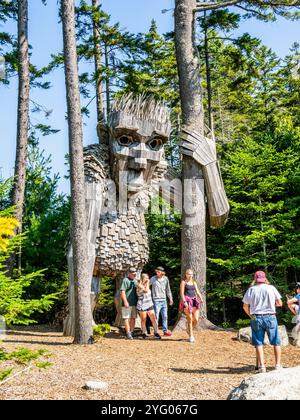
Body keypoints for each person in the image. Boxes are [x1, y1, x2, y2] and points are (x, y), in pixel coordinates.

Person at [242, 270, 283, 373]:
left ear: (255, 279)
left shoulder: (251, 290)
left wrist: (251, 316)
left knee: (258, 343)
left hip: (256, 317)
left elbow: (245, 306)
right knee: (276, 342)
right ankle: (277, 365)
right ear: (265, 279)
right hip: (271, 317)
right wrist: (271, 304)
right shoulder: (271, 288)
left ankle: (262, 367)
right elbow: (280, 303)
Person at [179, 269, 204, 343]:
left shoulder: (194, 282)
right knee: (189, 319)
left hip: (194, 301)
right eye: (188, 274)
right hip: (187, 301)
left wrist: (201, 298)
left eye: (191, 274)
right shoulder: (183, 282)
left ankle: (188, 330)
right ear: (186, 274)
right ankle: (191, 336)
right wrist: (184, 302)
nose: (190, 275)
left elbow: (197, 291)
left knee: (196, 319)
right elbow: (182, 293)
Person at [136, 273, 161, 339]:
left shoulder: (146, 285)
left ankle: (156, 332)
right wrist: (147, 283)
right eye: (146, 278)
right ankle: (144, 333)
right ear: (142, 279)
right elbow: (146, 290)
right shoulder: (139, 285)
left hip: (149, 304)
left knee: (153, 318)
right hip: (142, 305)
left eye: (148, 278)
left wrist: (147, 283)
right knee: (143, 319)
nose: (147, 279)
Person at [150, 267, 173, 337]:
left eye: (159, 272)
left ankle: (165, 331)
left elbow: (168, 289)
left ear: (162, 272)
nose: (157, 273)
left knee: (165, 316)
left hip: (164, 300)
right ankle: (156, 331)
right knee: (156, 316)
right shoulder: (153, 278)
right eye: (156, 272)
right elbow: (146, 285)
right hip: (156, 300)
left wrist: (170, 298)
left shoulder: (166, 279)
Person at [120, 268, 138, 340]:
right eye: (133, 273)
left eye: (135, 273)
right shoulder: (125, 280)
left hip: (134, 303)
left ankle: (132, 332)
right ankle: (128, 333)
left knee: (133, 318)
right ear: (129, 273)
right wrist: (125, 301)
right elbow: (122, 292)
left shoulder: (135, 281)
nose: (134, 274)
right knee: (126, 318)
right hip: (127, 303)